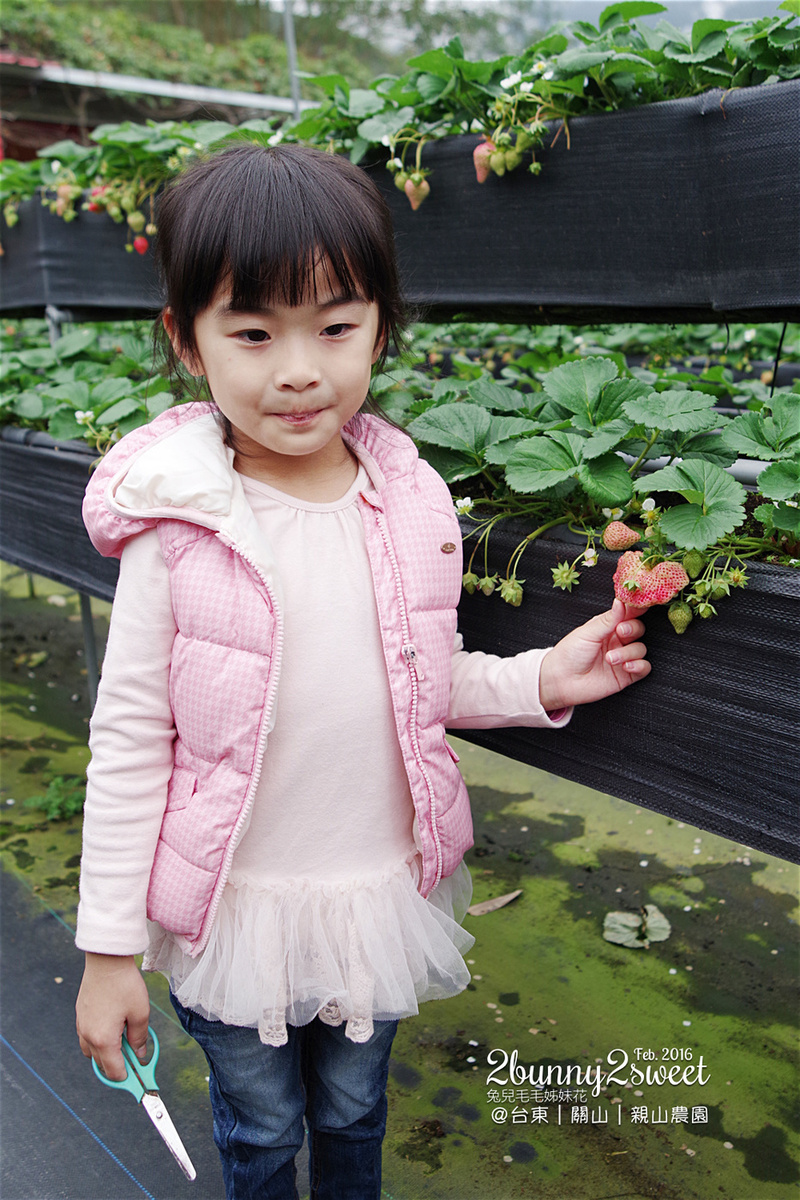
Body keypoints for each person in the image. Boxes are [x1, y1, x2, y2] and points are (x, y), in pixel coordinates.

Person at [74, 142, 650, 1200]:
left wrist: (540, 681)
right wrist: (109, 950)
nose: (299, 369)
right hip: (232, 908)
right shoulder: (179, 532)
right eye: (251, 333)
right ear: (188, 344)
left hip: (370, 896)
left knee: (351, 1112)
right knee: (261, 1122)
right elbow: (126, 748)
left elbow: (415, 678)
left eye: (335, 328)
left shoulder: (410, 504)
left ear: (381, 324)